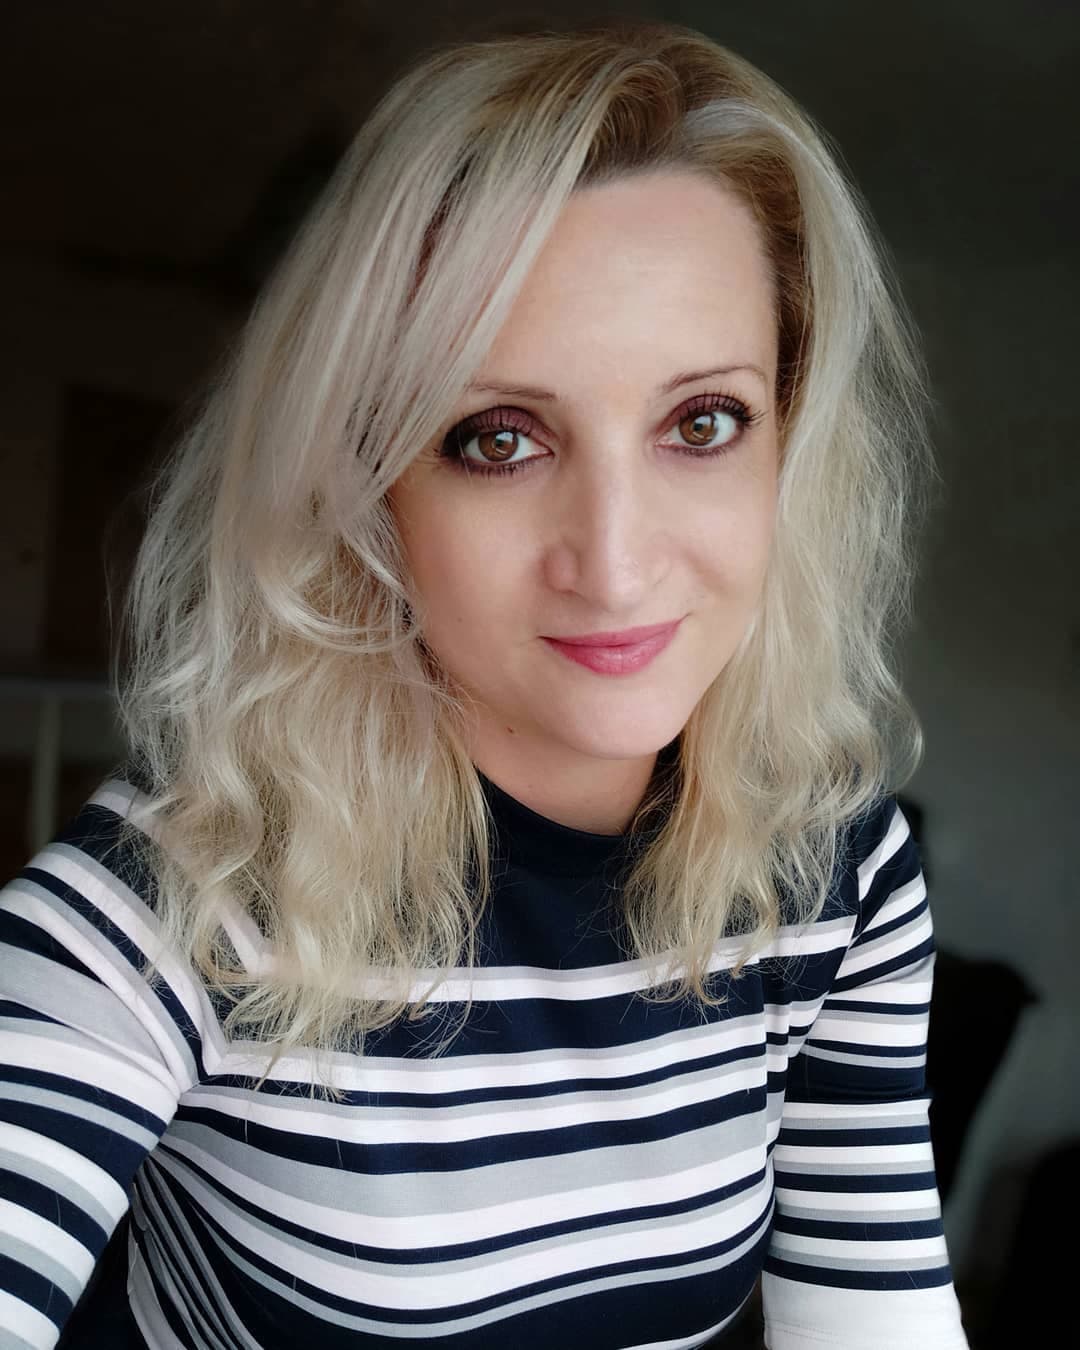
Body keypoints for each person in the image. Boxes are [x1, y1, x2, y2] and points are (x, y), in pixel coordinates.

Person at [0, 18, 970, 1350]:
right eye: (497, 439)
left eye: (702, 422)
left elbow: (876, 1313)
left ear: (787, 442)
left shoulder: (834, 874)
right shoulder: (172, 908)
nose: (615, 564)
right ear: (367, 484)